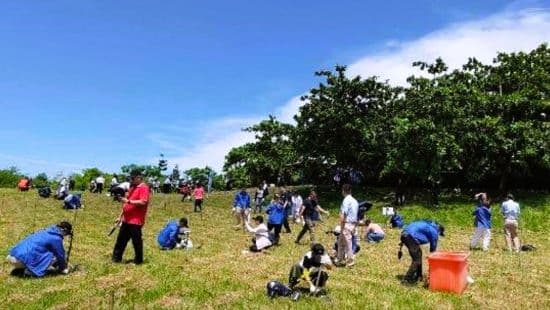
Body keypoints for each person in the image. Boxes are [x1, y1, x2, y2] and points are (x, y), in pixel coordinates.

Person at [112, 169, 150, 265]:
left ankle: (138, 260)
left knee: (136, 242)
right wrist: (120, 216)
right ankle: (116, 259)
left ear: (139, 177)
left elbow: (143, 201)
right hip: (126, 220)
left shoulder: (143, 187)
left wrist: (128, 201)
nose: (131, 180)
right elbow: (126, 204)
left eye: (132, 178)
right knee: (120, 240)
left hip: (136, 221)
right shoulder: (132, 188)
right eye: (130, 178)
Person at [7, 221, 72, 277]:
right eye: (66, 234)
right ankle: (30, 272)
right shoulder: (56, 238)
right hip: (20, 260)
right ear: (64, 230)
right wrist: (63, 268)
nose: (64, 236)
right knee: (53, 254)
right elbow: (60, 255)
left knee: (44, 251)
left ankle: (22, 268)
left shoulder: (45, 231)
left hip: (11, 256)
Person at [336, 184, 359, 267]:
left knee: (348, 244)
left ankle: (350, 261)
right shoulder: (355, 201)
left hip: (346, 224)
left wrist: (341, 226)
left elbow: (343, 214)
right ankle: (339, 259)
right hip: (353, 224)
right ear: (350, 190)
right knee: (340, 242)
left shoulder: (346, 200)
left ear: (343, 191)